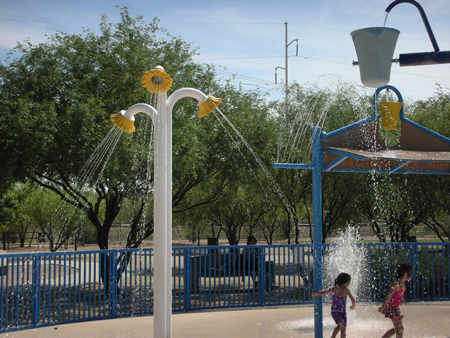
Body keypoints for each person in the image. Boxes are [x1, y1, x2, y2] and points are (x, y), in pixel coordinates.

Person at [312, 272, 356, 338]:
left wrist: (316, 294)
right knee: (343, 328)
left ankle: (332, 336)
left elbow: (325, 292)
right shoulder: (343, 289)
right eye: (349, 282)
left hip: (339, 312)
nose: (350, 283)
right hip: (338, 313)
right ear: (345, 282)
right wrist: (353, 306)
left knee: (340, 326)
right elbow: (353, 299)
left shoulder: (338, 289)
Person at [379, 263, 412, 338]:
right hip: (391, 308)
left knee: (398, 329)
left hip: (395, 308)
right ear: (405, 274)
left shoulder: (402, 284)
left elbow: (398, 295)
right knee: (399, 330)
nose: (411, 275)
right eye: (410, 273)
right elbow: (389, 296)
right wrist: (383, 306)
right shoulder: (396, 284)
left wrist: (401, 299)